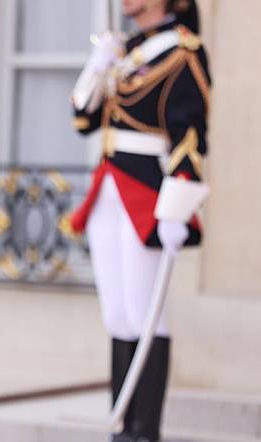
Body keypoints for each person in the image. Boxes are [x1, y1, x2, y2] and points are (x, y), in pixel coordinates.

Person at [64, 0, 210, 441]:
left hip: (147, 191)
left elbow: (191, 136)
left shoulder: (182, 50)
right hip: (109, 188)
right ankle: (122, 422)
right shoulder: (125, 51)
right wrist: (98, 63)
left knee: (148, 314)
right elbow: (83, 119)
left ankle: (144, 429)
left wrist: (177, 208)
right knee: (119, 315)